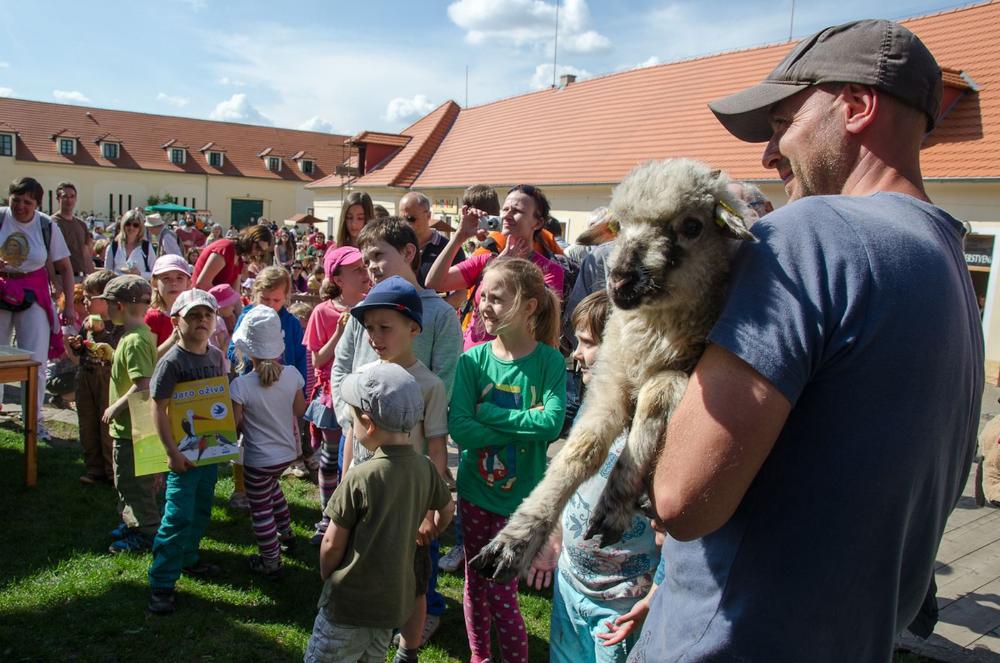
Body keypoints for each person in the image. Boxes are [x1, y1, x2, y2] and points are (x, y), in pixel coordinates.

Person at [629, 20, 985, 662]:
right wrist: (690, 583)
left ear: (855, 106)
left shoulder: (811, 235)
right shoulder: (948, 260)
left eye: (781, 124)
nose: (768, 155)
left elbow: (681, 499)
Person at [532, 290, 662, 662]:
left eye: (587, 343)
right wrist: (554, 535)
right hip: (570, 585)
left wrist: (658, 595)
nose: (576, 354)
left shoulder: (656, 428)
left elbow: (674, 531)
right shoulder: (592, 404)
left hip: (622, 603)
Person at [448, 257, 566, 663]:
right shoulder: (472, 361)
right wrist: (521, 423)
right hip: (475, 495)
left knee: (500, 589)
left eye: (496, 299)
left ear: (530, 306)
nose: (483, 306)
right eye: (483, 297)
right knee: (475, 584)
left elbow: (550, 424)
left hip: (520, 505)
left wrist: (491, 414)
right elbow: (460, 430)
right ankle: (479, 657)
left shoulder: (549, 362)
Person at [304, 362, 454, 663]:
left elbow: (332, 543)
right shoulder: (425, 468)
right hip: (390, 610)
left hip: (347, 606)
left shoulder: (360, 476)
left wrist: (326, 574)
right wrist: (434, 528)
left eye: (352, 417)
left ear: (368, 423)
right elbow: (447, 509)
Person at [343, 276, 451, 650]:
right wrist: (344, 485)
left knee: (413, 580)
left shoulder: (429, 385)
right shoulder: (362, 378)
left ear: (413, 328)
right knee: (364, 569)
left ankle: (408, 648)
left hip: (407, 501)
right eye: (370, 327)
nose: (375, 336)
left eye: (385, 327)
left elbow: (436, 448)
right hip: (366, 497)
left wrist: (427, 510)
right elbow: (350, 439)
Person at [146, 289, 226, 614]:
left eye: (207, 315)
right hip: (182, 454)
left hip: (210, 451)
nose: (201, 321)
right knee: (176, 515)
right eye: (193, 315)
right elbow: (157, 408)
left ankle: (189, 558)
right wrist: (170, 451)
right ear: (176, 322)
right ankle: (162, 581)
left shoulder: (216, 355)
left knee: (202, 508)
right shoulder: (171, 363)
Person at [425, 185, 564, 350]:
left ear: (538, 222)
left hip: (514, 363)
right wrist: (459, 236)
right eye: (505, 209)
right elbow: (434, 283)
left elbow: (536, 318)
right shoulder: (485, 259)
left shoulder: (549, 270)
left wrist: (502, 268)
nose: (507, 215)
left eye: (516, 211)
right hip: (471, 359)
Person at [230, 306, 307, 578]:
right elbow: (300, 411)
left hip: (258, 459)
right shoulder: (292, 375)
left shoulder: (241, 386)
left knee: (260, 509)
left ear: (248, 349)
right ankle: (286, 533)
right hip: (286, 455)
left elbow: (235, 424)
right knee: (272, 489)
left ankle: (270, 560)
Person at [303, 246, 371, 544]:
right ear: (338, 278)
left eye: (364, 266)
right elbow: (318, 360)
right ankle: (328, 517)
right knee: (331, 460)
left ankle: (355, 517)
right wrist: (340, 332)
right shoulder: (323, 311)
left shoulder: (373, 305)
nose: (365, 273)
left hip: (365, 396)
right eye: (356, 269)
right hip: (333, 397)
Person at [227, 266, 307, 509]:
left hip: (279, 392)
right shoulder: (248, 316)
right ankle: (241, 489)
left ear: (286, 298)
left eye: (277, 299)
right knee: (243, 442)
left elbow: (299, 354)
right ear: (255, 294)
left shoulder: (291, 322)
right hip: (250, 392)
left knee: (276, 439)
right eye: (265, 299)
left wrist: (297, 384)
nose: (271, 304)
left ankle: (269, 484)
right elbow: (234, 348)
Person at [1, 177, 76, 431]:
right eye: (16, 200)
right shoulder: (1, 218)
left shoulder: (45, 225)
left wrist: (69, 305)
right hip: (1, 289)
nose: (21, 206)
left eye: (27, 202)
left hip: (33, 293)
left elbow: (65, 267)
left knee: (35, 359)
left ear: (37, 204)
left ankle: (33, 419)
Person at [96, 275, 159, 554]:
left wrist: (115, 407)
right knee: (129, 481)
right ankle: (131, 522)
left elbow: (142, 384)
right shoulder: (137, 335)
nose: (106, 309)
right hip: (137, 425)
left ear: (119, 305)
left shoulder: (134, 340)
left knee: (134, 483)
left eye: (108, 304)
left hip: (134, 427)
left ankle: (144, 533)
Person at [67, 269, 121, 485]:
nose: (86, 301)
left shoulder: (119, 322)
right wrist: (77, 345)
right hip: (86, 376)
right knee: (87, 423)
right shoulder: (88, 320)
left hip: (107, 380)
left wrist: (100, 333)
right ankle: (94, 468)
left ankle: (112, 471)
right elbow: (83, 346)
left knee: (107, 426)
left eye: (91, 297)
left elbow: (114, 350)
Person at [399, 191, 466, 287]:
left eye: (411, 219)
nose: (406, 224)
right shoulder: (396, 246)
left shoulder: (451, 249)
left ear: (428, 216)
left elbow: (460, 294)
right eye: (402, 219)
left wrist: (431, 303)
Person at [192, 225, 272, 291]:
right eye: (258, 247)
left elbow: (235, 294)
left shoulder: (239, 261)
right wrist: (224, 302)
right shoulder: (226, 248)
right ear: (250, 239)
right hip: (198, 302)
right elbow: (202, 284)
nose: (258, 253)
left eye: (262, 252)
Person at [145, 255, 192, 356]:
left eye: (179, 278)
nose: (174, 283)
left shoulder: (194, 313)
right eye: (166, 278)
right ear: (154, 283)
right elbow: (149, 360)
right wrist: (173, 339)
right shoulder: (153, 318)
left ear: (188, 283)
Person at [51, 181, 95, 280]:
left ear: (76, 199)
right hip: (60, 276)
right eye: (65, 196)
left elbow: (86, 254)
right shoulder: (51, 223)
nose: (69, 200)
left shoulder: (81, 225)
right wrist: (53, 281)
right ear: (58, 199)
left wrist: (92, 279)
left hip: (81, 277)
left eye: (72, 196)